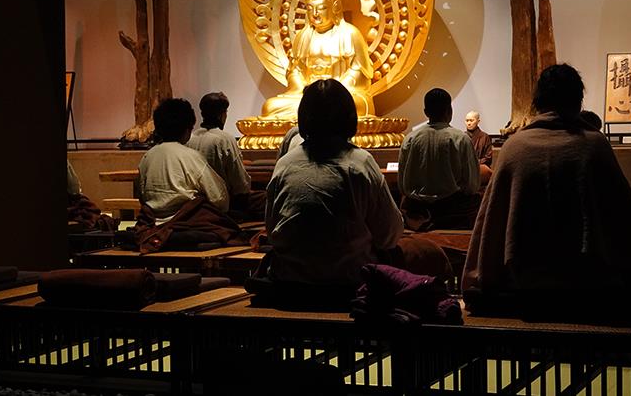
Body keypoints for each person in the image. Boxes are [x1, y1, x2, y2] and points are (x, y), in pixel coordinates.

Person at [463, 64, 631, 325]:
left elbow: (490, 228)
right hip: (588, 289)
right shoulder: (593, 145)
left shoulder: (514, 148)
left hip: (524, 289)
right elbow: (627, 220)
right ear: (578, 101)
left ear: (537, 102)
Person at [257, 79, 452, 309]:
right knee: (424, 252)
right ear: (349, 117)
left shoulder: (285, 163)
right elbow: (389, 235)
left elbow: (272, 229)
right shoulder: (360, 162)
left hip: (291, 284)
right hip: (350, 282)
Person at [261, 0, 376, 118]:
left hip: (341, 97)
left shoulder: (350, 34)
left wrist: (335, 92)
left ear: (335, 6)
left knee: (354, 105)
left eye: (321, 8)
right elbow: (295, 72)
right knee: (270, 107)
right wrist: (303, 89)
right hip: (307, 97)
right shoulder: (302, 37)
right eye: (310, 8)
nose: (315, 13)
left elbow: (360, 74)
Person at [134, 98, 238, 252]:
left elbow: (140, 194)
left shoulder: (147, 157)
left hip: (153, 221)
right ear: (187, 129)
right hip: (188, 222)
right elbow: (219, 198)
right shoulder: (190, 156)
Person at [398, 88, 480, 230]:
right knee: (478, 199)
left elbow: (402, 184)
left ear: (426, 112)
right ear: (450, 111)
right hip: (452, 209)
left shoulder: (410, 138)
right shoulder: (461, 139)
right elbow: (471, 185)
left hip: (417, 209)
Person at [187, 92, 263, 220]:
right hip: (223, 201)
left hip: (195, 201)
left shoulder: (190, 138)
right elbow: (240, 184)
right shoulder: (224, 139)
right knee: (265, 199)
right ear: (222, 115)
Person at [465, 110, 494, 186]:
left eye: (471, 120)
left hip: (481, 170)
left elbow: (488, 158)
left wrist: (474, 163)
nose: (469, 123)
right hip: (465, 171)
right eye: (467, 120)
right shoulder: (462, 137)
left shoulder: (485, 137)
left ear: (478, 121)